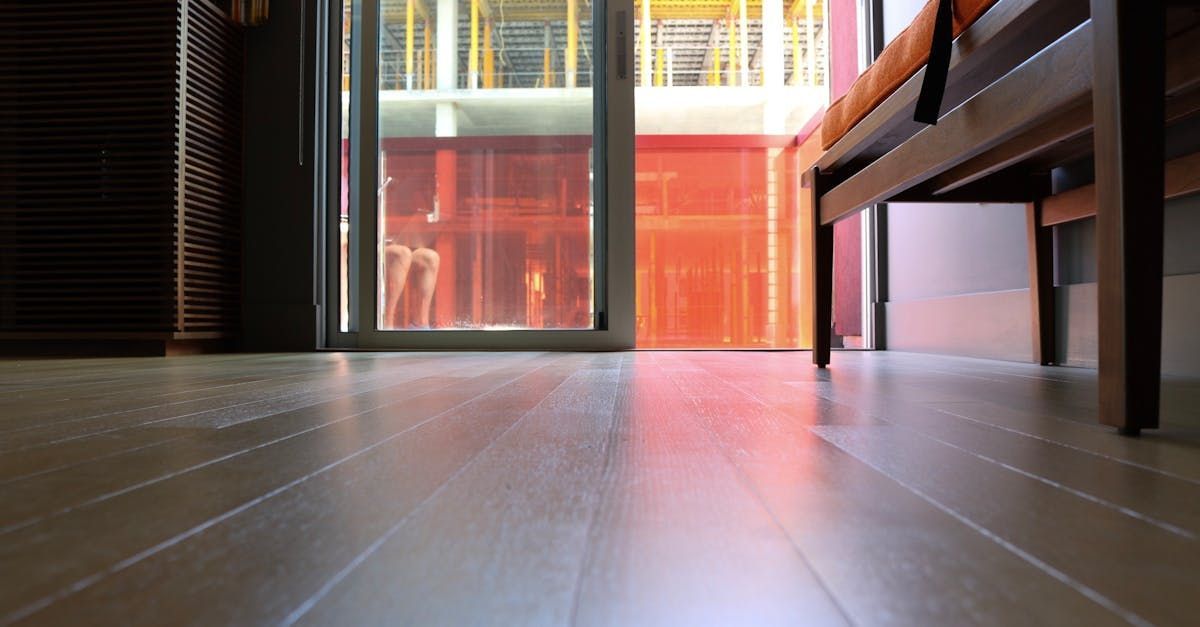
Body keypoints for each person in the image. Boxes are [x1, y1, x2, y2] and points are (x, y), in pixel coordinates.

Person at [383, 243, 439, 329]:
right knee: (401, 254)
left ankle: (420, 325)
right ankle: (386, 323)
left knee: (430, 257)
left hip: (402, 243)